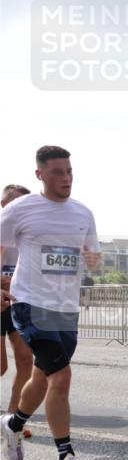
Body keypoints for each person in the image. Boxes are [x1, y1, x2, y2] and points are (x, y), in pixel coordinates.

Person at [0, 146, 102, 460]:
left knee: (43, 376)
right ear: (40, 174)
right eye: (58, 172)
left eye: (69, 171)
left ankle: (13, 424)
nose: (66, 177)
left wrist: (92, 261)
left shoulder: (83, 213)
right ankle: (65, 459)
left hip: (66, 309)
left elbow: (94, 256)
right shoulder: (19, 209)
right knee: (62, 377)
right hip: (29, 304)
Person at [1, 185, 33, 438]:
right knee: (0, 366)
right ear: (5, 204)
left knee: (25, 361)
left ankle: (12, 420)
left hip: (17, 302)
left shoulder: (28, 233)